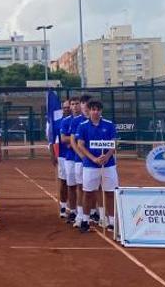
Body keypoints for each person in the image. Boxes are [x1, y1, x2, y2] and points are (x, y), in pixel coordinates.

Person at [76, 100, 118, 233]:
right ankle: (85, 220)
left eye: (98, 109)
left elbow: (113, 143)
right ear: (89, 111)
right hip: (90, 165)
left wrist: (106, 156)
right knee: (88, 193)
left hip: (108, 165)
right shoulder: (82, 126)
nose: (95, 112)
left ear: (101, 111)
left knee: (110, 192)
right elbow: (80, 145)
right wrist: (93, 158)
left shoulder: (109, 125)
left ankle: (112, 222)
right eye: (93, 109)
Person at [69, 96, 91, 228]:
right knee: (81, 187)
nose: (83, 107)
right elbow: (73, 141)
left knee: (95, 188)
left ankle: (96, 214)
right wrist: (82, 156)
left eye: (85, 104)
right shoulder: (76, 121)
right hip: (80, 160)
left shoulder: (99, 121)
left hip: (95, 162)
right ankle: (80, 215)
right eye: (82, 104)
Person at [60, 97, 80, 225]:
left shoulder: (86, 120)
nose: (74, 106)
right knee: (71, 186)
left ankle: (90, 212)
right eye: (72, 104)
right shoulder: (65, 121)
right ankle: (73, 211)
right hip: (70, 158)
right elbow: (63, 139)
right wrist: (76, 140)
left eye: (77, 104)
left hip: (84, 158)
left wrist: (73, 140)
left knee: (85, 187)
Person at [51, 100, 72, 219]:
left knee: (77, 184)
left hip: (76, 157)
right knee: (64, 182)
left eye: (68, 107)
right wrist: (53, 154)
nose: (67, 109)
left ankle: (80, 210)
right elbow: (52, 140)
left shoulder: (78, 121)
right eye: (64, 107)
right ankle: (63, 206)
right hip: (62, 156)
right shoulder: (57, 122)